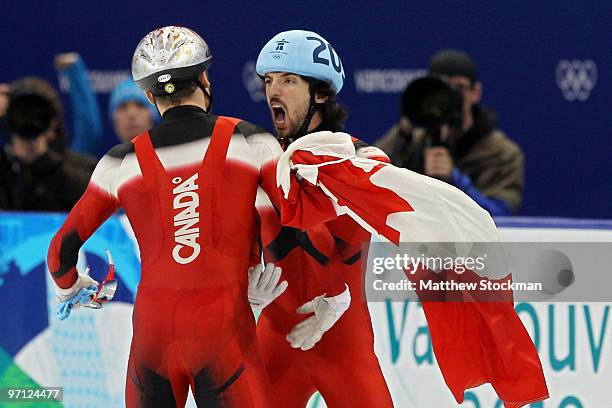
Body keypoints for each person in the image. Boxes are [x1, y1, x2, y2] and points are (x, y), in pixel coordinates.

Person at [47, 25, 285, 407]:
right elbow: (288, 228)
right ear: (205, 79)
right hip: (224, 330)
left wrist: (69, 285)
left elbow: (60, 252)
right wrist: (258, 292)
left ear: (147, 94)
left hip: (152, 336)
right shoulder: (251, 140)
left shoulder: (119, 161)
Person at [252, 30, 394, 408]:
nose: (273, 92)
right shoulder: (256, 163)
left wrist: (335, 295)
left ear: (321, 93)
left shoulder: (366, 162)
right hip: (275, 340)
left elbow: (342, 246)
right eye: (268, 81)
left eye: (288, 80)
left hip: (344, 345)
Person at [376, 49, 524, 215]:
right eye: (442, 88)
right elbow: (369, 177)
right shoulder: (413, 139)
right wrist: (403, 135)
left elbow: (500, 216)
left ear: (476, 93)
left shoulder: (503, 154)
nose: (450, 97)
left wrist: (456, 179)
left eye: (459, 88)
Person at [0, 77, 96, 211]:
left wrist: (42, 160)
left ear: (53, 123)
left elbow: (94, 203)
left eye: (36, 113)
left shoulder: (80, 167)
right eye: (22, 112)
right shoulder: (4, 168)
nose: (29, 119)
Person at [109, 78, 158, 143]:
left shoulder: (172, 152)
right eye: (123, 107)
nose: (131, 114)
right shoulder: (108, 153)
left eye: (140, 105)